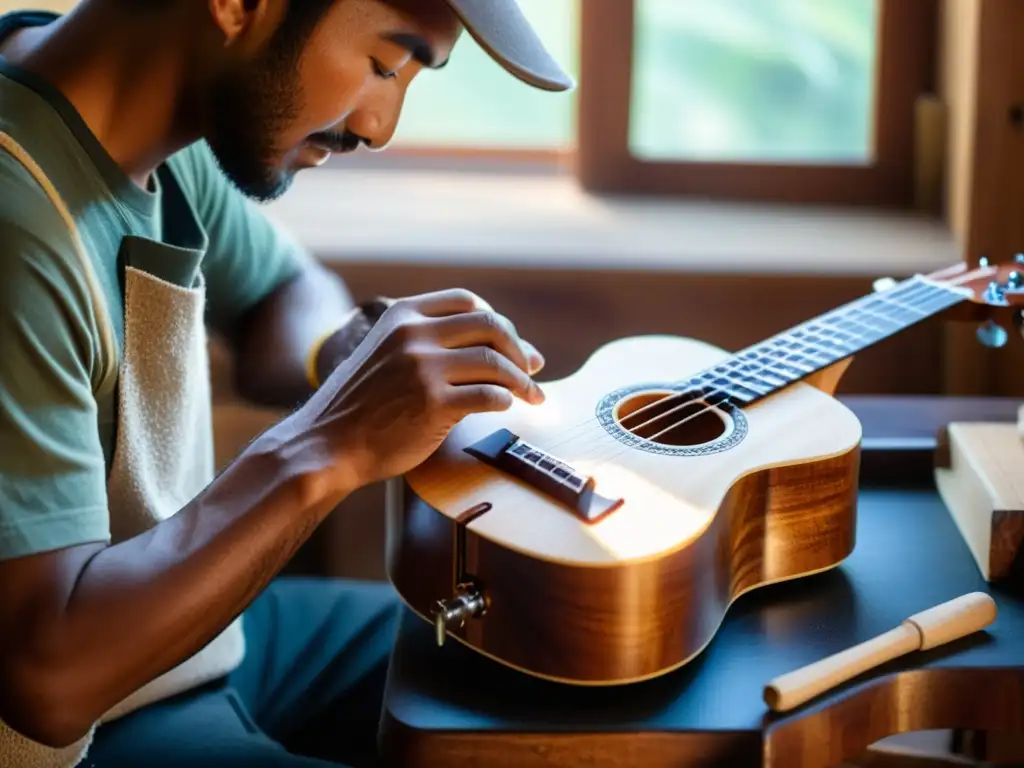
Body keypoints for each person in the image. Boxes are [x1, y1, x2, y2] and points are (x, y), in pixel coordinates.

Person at [0, 1, 572, 766]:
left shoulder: (154, 133)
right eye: (385, 64)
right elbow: (48, 679)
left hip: (202, 647)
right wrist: (333, 438)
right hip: (85, 719)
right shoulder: (19, 231)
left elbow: (285, 288)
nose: (378, 126)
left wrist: (339, 354)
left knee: (555, 663)